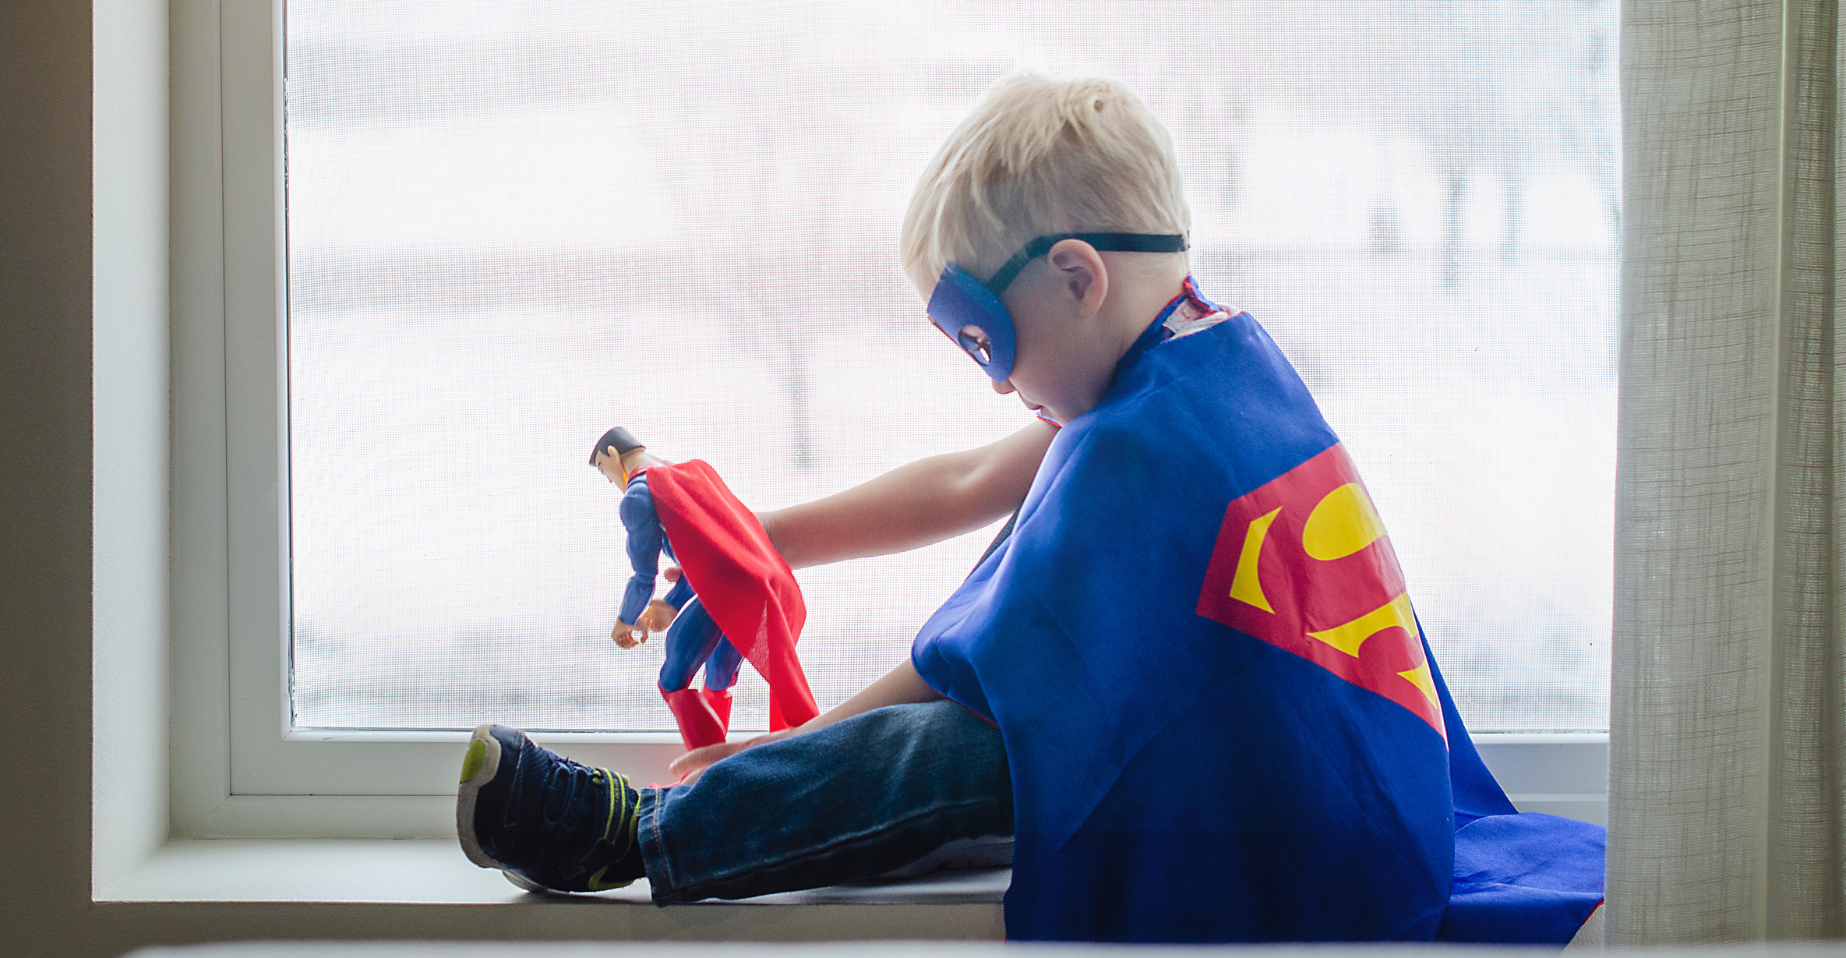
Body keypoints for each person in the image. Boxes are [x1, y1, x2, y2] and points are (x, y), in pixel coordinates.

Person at [455, 72, 1604, 942]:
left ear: (1075, 276)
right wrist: (769, 540)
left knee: (947, 757)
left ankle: (634, 836)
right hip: (1338, 780)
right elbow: (974, 480)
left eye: (987, 343)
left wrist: (787, 748)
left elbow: (970, 674)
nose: (997, 380)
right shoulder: (1209, 359)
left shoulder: (1147, 450)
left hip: (1282, 807)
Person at [590, 427, 746, 751]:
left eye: (605, 471)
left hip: (722, 587)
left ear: (614, 456)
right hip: (748, 581)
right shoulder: (681, 473)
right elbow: (710, 550)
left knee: (672, 681)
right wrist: (673, 603)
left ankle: (708, 771)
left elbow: (644, 576)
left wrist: (625, 619)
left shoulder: (637, 496)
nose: (610, 481)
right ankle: (717, 773)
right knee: (718, 677)